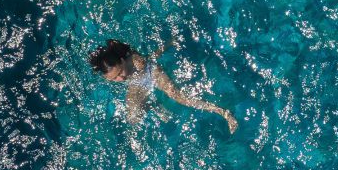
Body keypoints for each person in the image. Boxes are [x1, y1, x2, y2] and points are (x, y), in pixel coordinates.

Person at [88, 39, 238, 133]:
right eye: (114, 79)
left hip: (150, 73)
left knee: (180, 98)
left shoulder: (136, 61)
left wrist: (170, 43)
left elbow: (153, 57)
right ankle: (152, 105)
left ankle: (223, 112)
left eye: (120, 73)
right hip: (137, 84)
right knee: (132, 119)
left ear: (122, 61)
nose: (121, 78)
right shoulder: (112, 73)